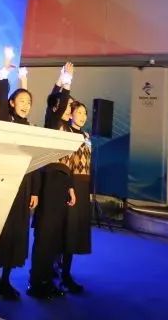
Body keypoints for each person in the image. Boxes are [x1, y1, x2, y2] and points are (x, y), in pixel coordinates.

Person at [27, 63, 78, 300]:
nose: (70, 109)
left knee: (55, 236)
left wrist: (70, 187)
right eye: (66, 105)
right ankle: (37, 282)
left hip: (62, 183)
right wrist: (65, 81)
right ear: (57, 108)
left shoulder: (66, 128)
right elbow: (54, 101)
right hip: (49, 183)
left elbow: (69, 162)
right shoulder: (52, 122)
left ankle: (48, 279)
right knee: (45, 235)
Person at [0, 67, 34, 300]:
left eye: (29, 102)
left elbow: (33, 160)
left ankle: (6, 279)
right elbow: (3, 95)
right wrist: (8, 73)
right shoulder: (5, 120)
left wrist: (33, 191)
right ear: (11, 103)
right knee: (1, 230)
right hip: (2, 182)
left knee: (17, 231)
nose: (26, 105)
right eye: (21, 101)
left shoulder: (30, 127)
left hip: (23, 185)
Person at [59, 99, 93, 294]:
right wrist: (69, 187)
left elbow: (88, 163)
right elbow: (65, 163)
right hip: (71, 185)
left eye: (84, 113)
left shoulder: (86, 135)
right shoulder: (67, 133)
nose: (82, 116)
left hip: (84, 185)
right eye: (79, 112)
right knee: (67, 231)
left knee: (76, 232)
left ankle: (66, 272)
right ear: (71, 114)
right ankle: (61, 274)